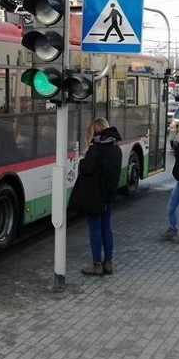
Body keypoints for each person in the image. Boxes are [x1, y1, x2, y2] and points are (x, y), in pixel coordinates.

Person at [73, 117, 122, 277]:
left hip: (95, 196)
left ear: (94, 132)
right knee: (106, 227)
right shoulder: (116, 148)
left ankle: (96, 265)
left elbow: (86, 169)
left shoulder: (96, 149)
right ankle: (108, 263)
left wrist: (81, 161)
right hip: (109, 196)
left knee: (95, 228)